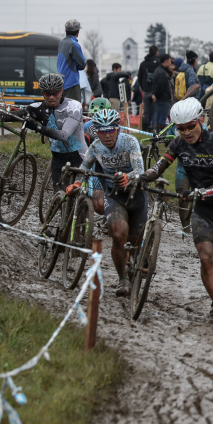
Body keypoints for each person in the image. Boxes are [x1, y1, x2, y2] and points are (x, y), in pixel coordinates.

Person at [142, 98, 213, 321]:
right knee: (206, 258)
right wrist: (137, 177)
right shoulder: (178, 144)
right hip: (202, 210)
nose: (186, 132)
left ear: (201, 121)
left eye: (190, 126)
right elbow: (158, 169)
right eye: (180, 128)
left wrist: (202, 192)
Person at [67, 109, 146, 297]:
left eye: (111, 130)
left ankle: (137, 258)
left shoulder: (129, 141)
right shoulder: (95, 147)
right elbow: (85, 166)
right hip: (115, 195)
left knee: (134, 241)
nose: (107, 135)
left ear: (118, 129)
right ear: (97, 132)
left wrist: (128, 176)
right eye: (102, 132)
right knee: (118, 233)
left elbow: (140, 170)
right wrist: (77, 182)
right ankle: (123, 279)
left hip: (136, 194)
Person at [22, 73, 87, 190]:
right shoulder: (38, 108)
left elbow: (64, 135)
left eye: (55, 93)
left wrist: (38, 128)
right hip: (58, 161)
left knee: (79, 198)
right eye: (47, 93)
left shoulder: (74, 106)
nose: (52, 97)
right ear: (42, 92)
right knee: (59, 201)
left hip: (79, 159)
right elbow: (9, 116)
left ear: (62, 90)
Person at [56, 19, 86, 102]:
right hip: (71, 83)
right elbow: (82, 65)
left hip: (61, 82)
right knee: (74, 109)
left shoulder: (62, 42)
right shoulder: (74, 44)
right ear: (78, 31)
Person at [138, 46, 160, 132]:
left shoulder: (143, 63)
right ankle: (154, 128)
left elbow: (139, 77)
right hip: (155, 90)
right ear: (156, 52)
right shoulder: (158, 63)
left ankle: (144, 128)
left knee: (146, 111)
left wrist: (143, 87)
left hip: (146, 90)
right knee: (155, 111)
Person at [150, 54, 174, 133]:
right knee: (162, 118)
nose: (170, 64)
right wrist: (156, 95)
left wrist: (154, 95)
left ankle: (156, 132)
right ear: (165, 62)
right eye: (170, 61)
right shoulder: (162, 73)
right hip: (163, 98)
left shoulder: (157, 70)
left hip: (159, 98)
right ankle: (162, 134)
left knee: (157, 117)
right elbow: (160, 87)